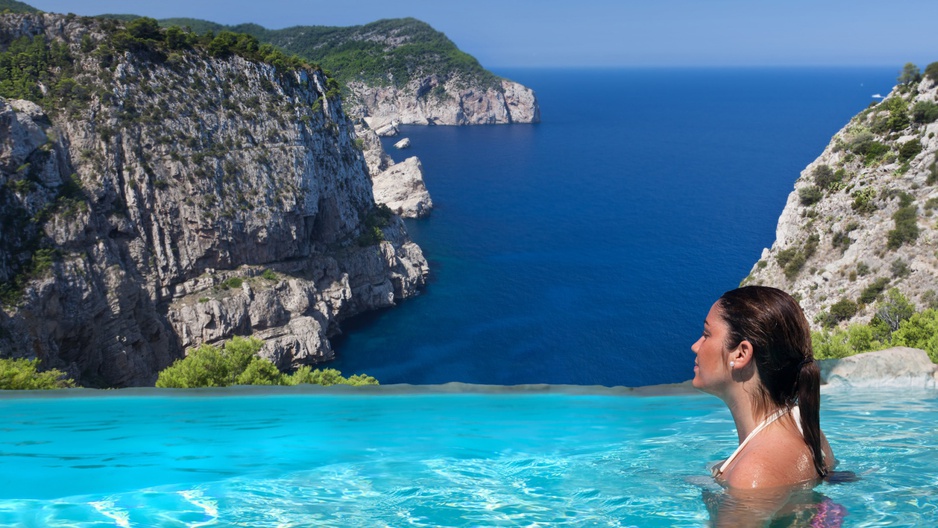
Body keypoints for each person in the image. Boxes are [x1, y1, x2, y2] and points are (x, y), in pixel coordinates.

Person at [692, 285, 835, 489]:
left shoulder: (751, 475)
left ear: (741, 354)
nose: (696, 346)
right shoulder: (807, 429)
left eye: (706, 334)